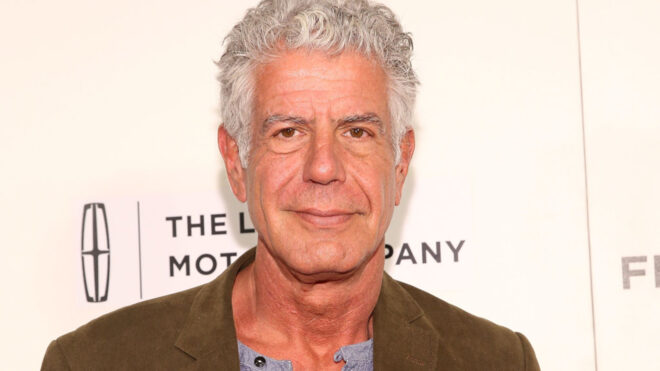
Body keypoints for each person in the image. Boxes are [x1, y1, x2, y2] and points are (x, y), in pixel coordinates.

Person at [42, 0, 540, 370]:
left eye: (357, 131)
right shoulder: (93, 361)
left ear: (400, 163)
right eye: (288, 131)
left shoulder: (496, 360)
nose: (323, 166)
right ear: (236, 161)